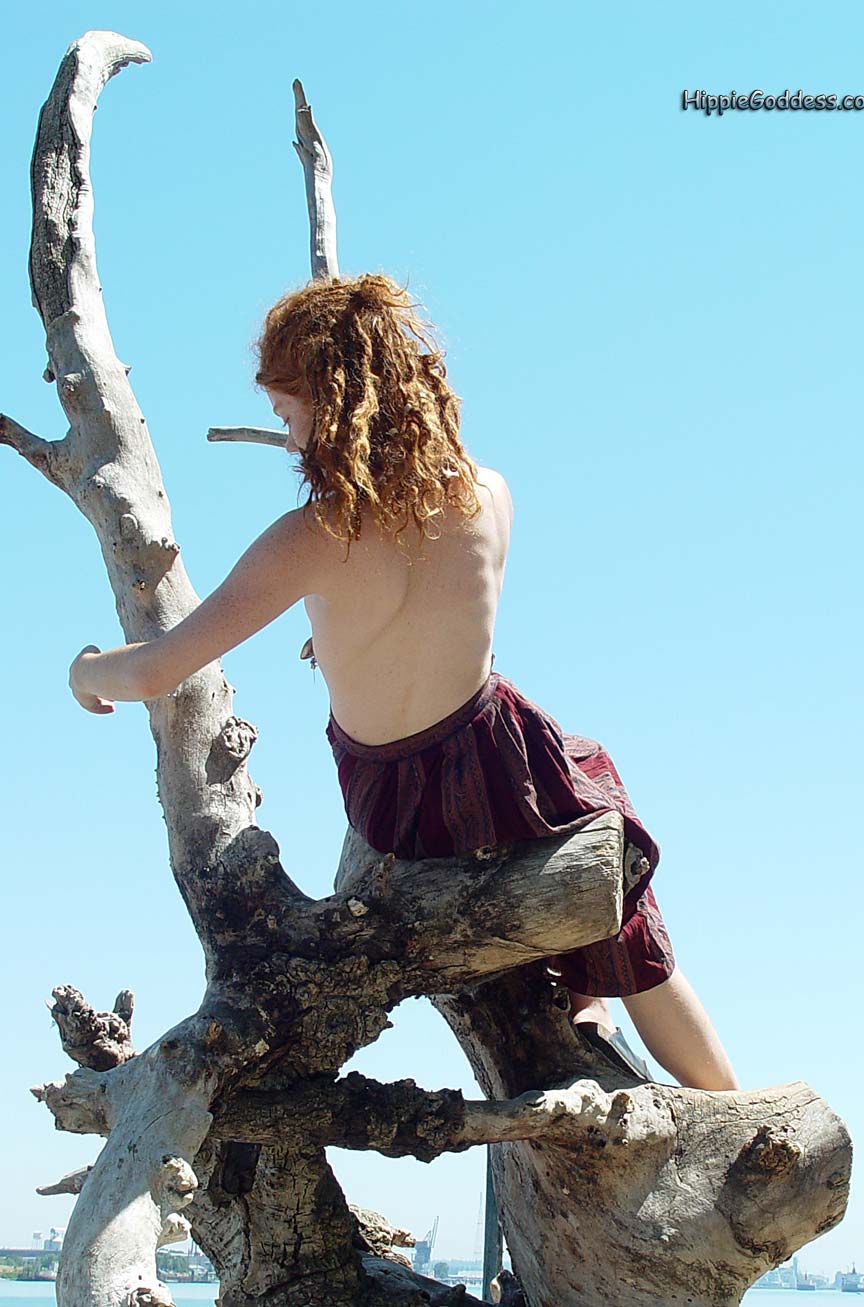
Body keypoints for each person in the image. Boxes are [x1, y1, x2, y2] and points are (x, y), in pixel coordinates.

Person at [69, 272, 738, 1092]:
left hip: (396, 808)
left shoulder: (312, 538)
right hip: (503, 769)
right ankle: (709, 1089)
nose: (287, 434)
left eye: (288, 412)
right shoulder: (489, 494)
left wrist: (87, 669)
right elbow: (435, 620)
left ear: (331, 406)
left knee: (584, 803)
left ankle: (591, 1002)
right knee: (617, 878)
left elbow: (159, 667)